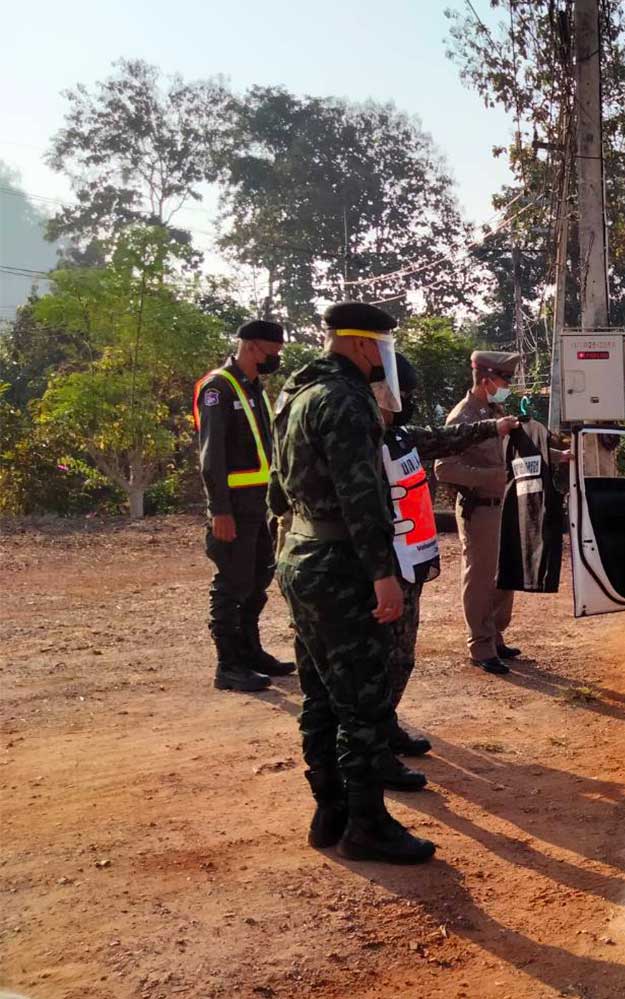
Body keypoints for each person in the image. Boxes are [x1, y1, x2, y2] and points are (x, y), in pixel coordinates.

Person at [269, 301, 434, 865]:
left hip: (300, 554)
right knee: (362, 703)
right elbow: (361, 499)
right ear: (365, 346)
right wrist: (383, 575)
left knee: (318, 695)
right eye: (381, 348)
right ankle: (367, 825)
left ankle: (329, 810)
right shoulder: (346, 400)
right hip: (342, 564)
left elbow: (277, 489)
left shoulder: (294, 392)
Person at [374, 351, 506, 790]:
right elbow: (447, 463)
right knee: (375, 660)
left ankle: (386, 726)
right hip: (384, 562)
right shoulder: (362, 440)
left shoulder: (402, 435)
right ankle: (371, 748)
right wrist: (490, 477)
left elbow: (442, 440)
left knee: (401, 656)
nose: (403, 401)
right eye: (399, 394)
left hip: (408, 557)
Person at [194, 318, 293, 693]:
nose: (274, 360)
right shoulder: (219, 387)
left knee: (257, 582)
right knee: (231, 585)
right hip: (233, 506)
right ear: (252, 346)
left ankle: (251, 652)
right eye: (272, 353)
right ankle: (228, 665)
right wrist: (219, 509)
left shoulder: (253, 388)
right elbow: (211, 455)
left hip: (258, 504)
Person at [433, 352, 526, 676]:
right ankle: (481, 645)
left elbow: (514, 451)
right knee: (481, 579)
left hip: (503, 507)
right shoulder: (463, 418)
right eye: (505, 380)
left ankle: (496, 635)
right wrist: (492, 477)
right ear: (486, 380)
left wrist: (559, 456)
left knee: (505, 577)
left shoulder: (494, 411)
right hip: (480, 510)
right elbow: (444, 468)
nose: (507, 387)